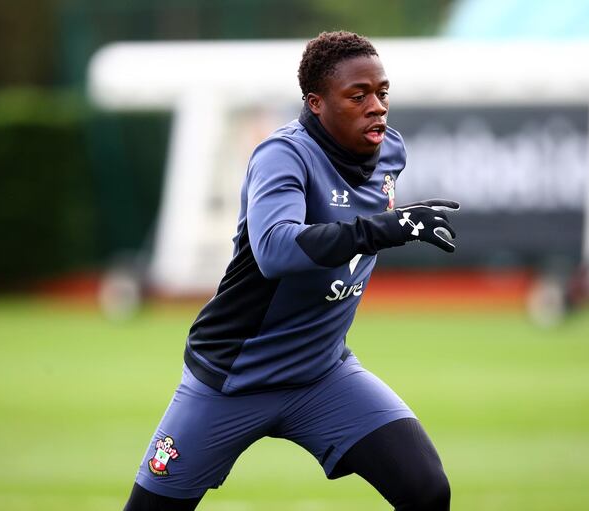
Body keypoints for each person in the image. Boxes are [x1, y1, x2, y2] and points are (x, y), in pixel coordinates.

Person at [123, 31, 459, 511]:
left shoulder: (390, 152)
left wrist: (383, 227)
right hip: (232, 379)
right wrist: (384, 229)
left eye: (382, 92)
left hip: (323, 375)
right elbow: (276, 251)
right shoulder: (283, 154)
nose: (377, 106)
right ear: (316, 103)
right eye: (358, 95)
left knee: (428, 490)